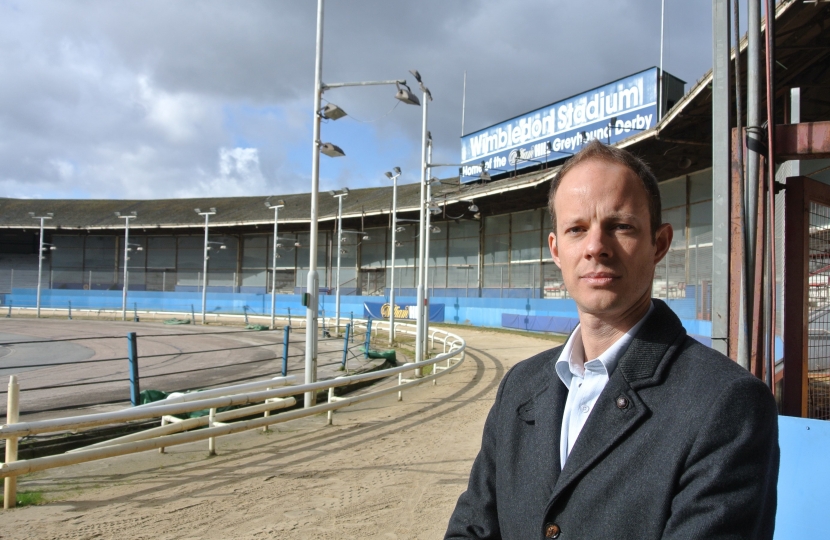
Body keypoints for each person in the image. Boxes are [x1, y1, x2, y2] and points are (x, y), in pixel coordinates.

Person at [445, 141, 779, 540]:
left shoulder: (728, 404)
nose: (595, 248)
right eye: (576, 229)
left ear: (659, 244)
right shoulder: (519, 385)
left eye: (620, 226)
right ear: (556, 250)